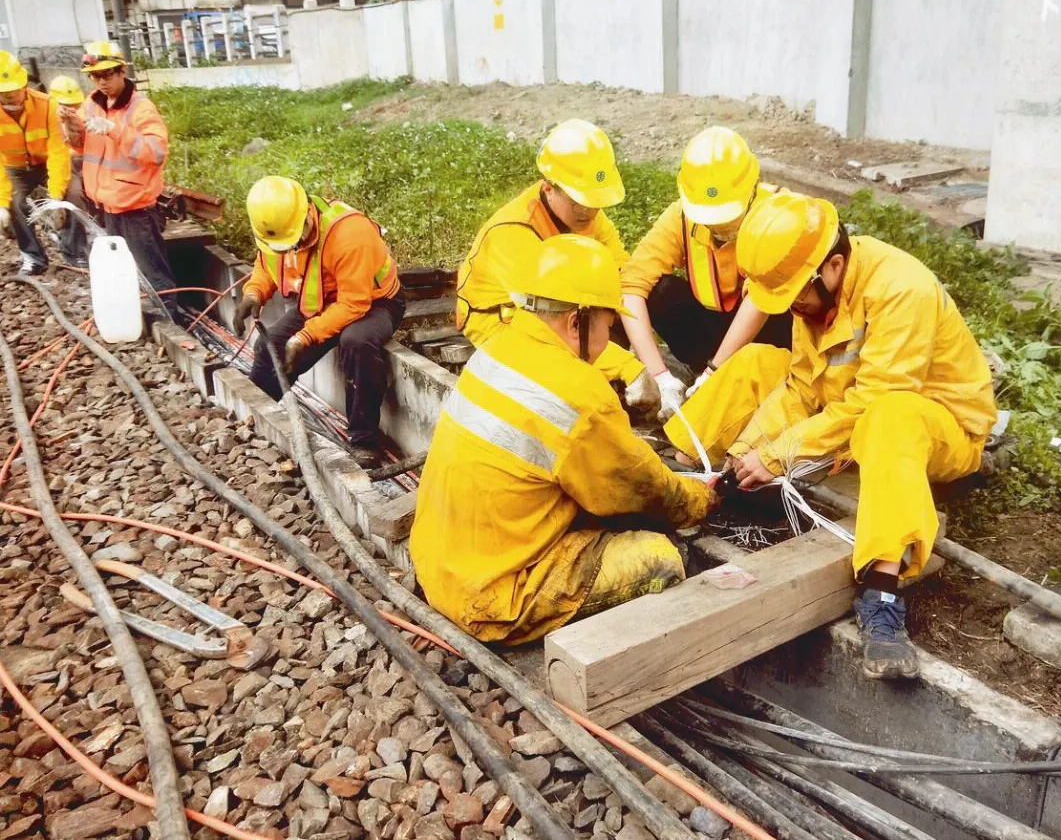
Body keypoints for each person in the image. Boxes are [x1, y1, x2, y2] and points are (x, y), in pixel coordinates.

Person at [666, 191, 997, 680]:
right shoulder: (813, 297)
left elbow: (871, 402)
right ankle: (687, 468)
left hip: (936, 429)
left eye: (796, 294)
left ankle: (881, 591)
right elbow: (802, 385)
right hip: (855, 413)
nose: (792, 309)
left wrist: (780, 455)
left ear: (835, 265)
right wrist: (747, 453)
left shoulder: (901, 290)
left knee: (888, 416)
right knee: (760, 361)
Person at [412, 235, 715, 644]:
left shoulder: (497, 348)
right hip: (498, 598)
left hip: (440, 567)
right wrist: (698, 498)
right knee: (659, 560)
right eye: (610, 326)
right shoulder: (579, 397)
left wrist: (628, 369)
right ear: (577, 321)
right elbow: (639, 487)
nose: (610, 338)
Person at [456, 119, 659, 413]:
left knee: (611, 315)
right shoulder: (513, 232)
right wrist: (629, 367)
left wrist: (655, 370)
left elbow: (621, 277)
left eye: (595, 201)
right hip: (504, 320)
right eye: (579, 201)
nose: (588, 211)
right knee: (557, 373)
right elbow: (544, 324)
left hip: (568, 313)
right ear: (550, 188)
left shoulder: (588, 215)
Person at [620, 127, 792, 420]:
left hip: (771, 331)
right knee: (660, 292)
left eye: (727, 216)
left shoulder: (779, 212)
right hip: (718, 327)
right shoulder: (681, 216)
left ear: (751, 189)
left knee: (775, 305)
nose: (719, 227)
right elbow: (632, 288)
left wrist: (716, 371)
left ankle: (735, 378)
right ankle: (697, 378)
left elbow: (762, 298)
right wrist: (658, 373)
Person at [235, 175, 405, 469]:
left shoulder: (349, 233)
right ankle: (261, 417)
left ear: (307, 217)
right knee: (269, 346)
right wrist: (254, 292)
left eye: (291, 243)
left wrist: (305, 337)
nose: (287, 250)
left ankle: (364, 440)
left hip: (374, 302)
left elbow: (354, 303)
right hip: (319, 301)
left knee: (357, 342)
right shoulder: (279, 234)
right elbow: (267, 265)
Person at [79, 40, 177, 313]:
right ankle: (143, 311)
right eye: (95, 76)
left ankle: (171, 320)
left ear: (122, 71)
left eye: (107, 75)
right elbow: (79, 146)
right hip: (107, 203)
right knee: (126, 267)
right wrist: (69, 127)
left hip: (136, 206)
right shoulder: (92, 104)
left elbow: (155, 152)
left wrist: (115, 129)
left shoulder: (140, 109)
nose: (101, 82)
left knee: (153, 271)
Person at [0, 50, 70, 276]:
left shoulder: (46, 105)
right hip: (14, 167)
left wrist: (56, 196)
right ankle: (33, 258)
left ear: (23, 85)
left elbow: (58, 151)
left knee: (74, 194)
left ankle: (75, 254)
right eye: (4, 92)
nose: (10, 95)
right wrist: (2, 203)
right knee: (16, 202)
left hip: (45, 163)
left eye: (13, 89)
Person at [48, 76, 89, 267]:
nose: (71, 108)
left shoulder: (82, 114)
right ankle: (74, 250)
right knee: (74, 196)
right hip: (61, 166)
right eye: (66, 104)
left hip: (84, 163)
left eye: (74, 104)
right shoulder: (47, 119)